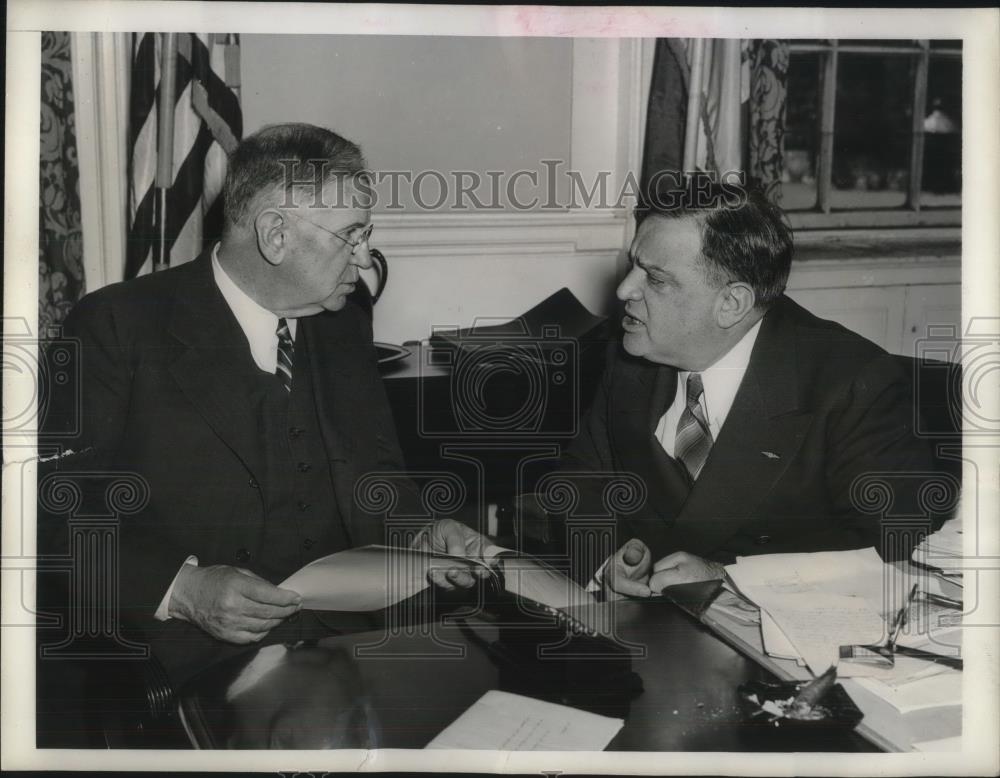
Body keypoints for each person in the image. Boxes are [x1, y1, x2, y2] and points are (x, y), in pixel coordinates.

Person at [42, 123, 487, 685]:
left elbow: (376, 470)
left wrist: (419, 532)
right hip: (194, 652)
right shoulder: (116, 326)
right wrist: (182, 590)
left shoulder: (343, 317)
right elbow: (55, 518)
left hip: (356, 635)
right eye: (351, 234)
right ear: (275, 235)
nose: (366, 256)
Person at [546, 184, 938, 599]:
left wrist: (729, 580)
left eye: (655, 279)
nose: (625, 290)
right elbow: (579, 482)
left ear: (731, 304)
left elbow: (897, 554)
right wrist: (609, 561)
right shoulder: (630, 353)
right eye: (634, 267)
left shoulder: (855, 384)